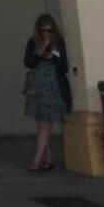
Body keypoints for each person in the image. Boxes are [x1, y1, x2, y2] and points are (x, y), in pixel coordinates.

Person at [24, 13, 71, 172]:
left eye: (49, 30)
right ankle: (48, 159)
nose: (46, 34)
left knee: (45, 123)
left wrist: (54, 56)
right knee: (41, 124)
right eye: (43, 30)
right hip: (37, 87)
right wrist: (40, 51)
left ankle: (37, 161)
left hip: (52, 87)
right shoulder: (33, 42)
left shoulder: (60, 43)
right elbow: (28, 62)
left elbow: (64, 66)